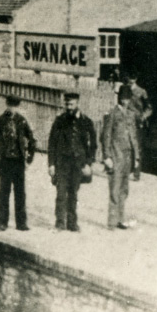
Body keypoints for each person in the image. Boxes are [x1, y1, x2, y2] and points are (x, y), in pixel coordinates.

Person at [47, 92, 96, 231]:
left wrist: (88, 163)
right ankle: (60, 223)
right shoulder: (59, 121)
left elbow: (93, 145)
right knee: (61, 194)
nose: (68, 107)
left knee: (73, 193)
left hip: (78, 164)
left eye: (71, 104)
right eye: (67, 104)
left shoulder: (86, 122)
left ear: (77, 104)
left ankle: (72, 223)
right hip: (62, 163)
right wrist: (51, 164)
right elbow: (52, 144)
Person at [0, 95, 36, 231]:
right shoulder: (0, 121)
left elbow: (32, 140)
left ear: (18, 106)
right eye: (10, 105)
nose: (12, 108)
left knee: (20, 193)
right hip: (5, 162)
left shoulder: (21, 121)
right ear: (6, 105)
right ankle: (3, 222)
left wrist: (28, 160)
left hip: (19, 162)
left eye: (15, 106)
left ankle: (21, 223)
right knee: (4, 193)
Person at [102, 85, 141, 230]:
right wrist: (107, 156)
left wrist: (136, 157)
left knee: (124, 190)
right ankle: (112, 222)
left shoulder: (131, 115)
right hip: (116, 155)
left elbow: (134, 137)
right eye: (123, 98)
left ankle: (120, 219)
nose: (126, 101)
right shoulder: (112, 114)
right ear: (119, 98)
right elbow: (106, 136)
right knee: (114, 189)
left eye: (128, 99)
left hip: (128, 157)